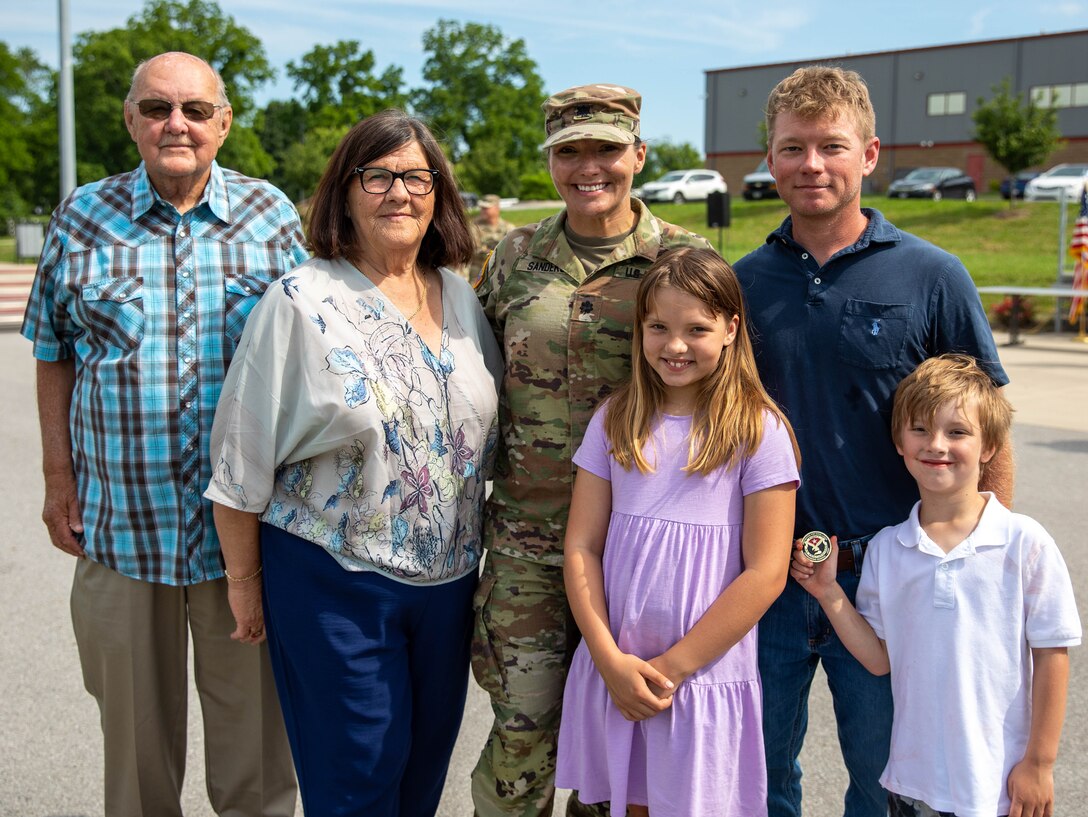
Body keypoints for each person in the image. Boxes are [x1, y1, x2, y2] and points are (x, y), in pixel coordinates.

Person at [21, 52, 305, 817]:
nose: (173, 123)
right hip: (123, 534)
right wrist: (58, 479)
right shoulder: (82, 217)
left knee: (258, 764)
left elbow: (313, 360)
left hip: (244, 541)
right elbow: (52, 352)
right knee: (137, 769)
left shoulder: (272, 217)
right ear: (130, 119)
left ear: (224, 121)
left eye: (192, 109)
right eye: (155, 108)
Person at [733, 65, 1013, 817]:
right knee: (755, 777)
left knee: (887, 779)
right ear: (769, 157)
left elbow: (989, 429)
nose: (811, 164)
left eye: (832, 145)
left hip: (890, 577)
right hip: (764, 577)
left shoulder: (933, 276)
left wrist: (989, 560)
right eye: (792, 148)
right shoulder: (740, 285)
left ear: (870, 154)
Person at [205, 108, 501, 817]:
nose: (399, 192)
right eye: (377, 176)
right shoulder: (300, 302)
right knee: (358, 781)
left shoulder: (460, 296)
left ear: (439, 195)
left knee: (422, 775)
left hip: (449, 584)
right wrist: (244, 583)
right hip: (335, 582)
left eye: (415, 176)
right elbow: (239, 459)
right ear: (343, 191)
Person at [471, 83, 713, 817]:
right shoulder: (515, 256)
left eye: (606, 149)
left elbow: (721, 391)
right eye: (568, 152)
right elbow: (473, 376)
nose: (588, 167)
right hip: (530, 542)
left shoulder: (682, 259)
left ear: (638, 155)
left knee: (628, 742)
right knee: (522, 732)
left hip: (643, 546)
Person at [555, 247, 799, 817]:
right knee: (631, 804)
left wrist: (672, 669)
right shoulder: (615, 419)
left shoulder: (758, 432)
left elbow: (766, 573)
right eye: (659, 327)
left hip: (699, 676)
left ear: (731, 329)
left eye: (697, 329)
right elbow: (581, 546)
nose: (675, 345)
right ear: (640, 329)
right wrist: (608, 658)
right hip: (618, 666)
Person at [791, 354, 1080, 817]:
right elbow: (879, 658)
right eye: (920, 430)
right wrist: (829, 592)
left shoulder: (1025, 542)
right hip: (913, 785)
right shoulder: (887, 549)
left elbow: (1052, 654)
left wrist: (1039, 764)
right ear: (899, 442)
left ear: (989, 447)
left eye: (958, 432)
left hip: (1000, 785)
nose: (937, 445)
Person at [465, 194, 514, 283]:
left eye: (486, 208)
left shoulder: (508, 228)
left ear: (497, 208)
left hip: (501, 274)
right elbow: (474, 249)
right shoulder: (473, 226)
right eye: (482, 208)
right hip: (478, 275)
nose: (482, 211)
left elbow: (514, 250)